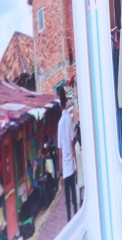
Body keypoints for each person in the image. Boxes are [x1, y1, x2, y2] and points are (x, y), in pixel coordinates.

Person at [57, 87, 79, 221]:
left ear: (60, 105)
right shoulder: (69, 120)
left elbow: (60, 152)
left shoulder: (60, 124)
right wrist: (76, 166)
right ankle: (76, 217)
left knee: (67, 198)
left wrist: (60, 173)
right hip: (71, 163)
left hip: (65, 168)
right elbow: (72, 143)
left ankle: (70, 220)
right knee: (74, 197)